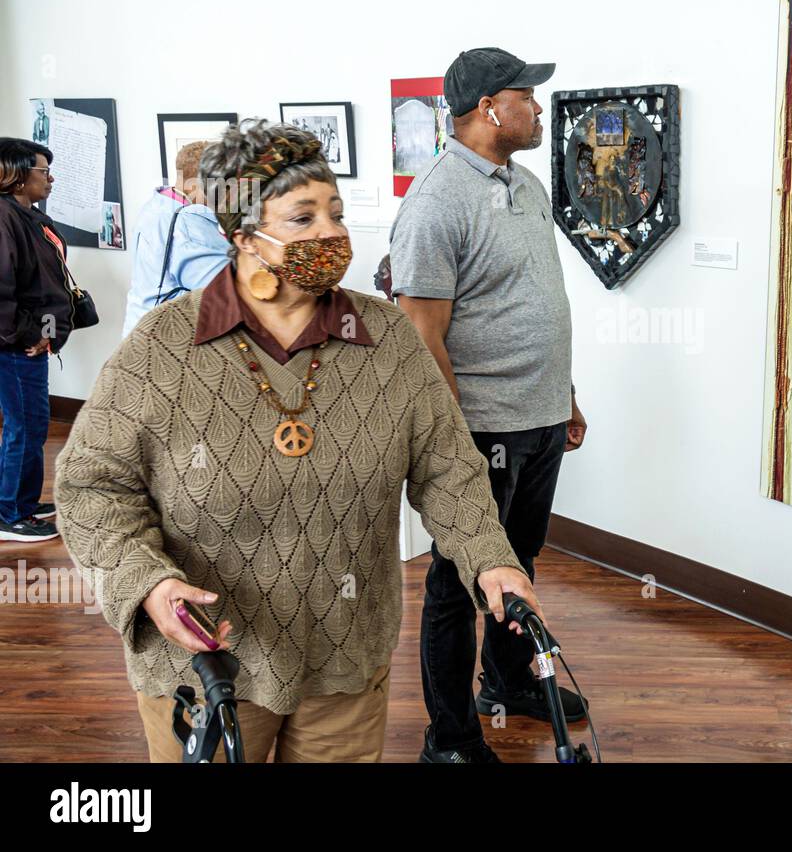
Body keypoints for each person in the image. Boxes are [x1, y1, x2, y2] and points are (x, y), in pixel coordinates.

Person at [55, 120, 543, 762]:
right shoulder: (159, 353)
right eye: (303, 217)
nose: (331, 233)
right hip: (209, 669)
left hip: (344, 661)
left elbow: (448, 468)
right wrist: (146, 582)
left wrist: (490, 556)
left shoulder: (388, 340)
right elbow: (91, 486)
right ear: (241, 235)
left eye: (335, 213)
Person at [390, 47, 588, 763]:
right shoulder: (436, 200)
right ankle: (450, 738)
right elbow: (422, 336)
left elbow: (534, 300)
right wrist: (453, 447)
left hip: (537, 418)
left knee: (521, 559)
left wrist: (562, 394)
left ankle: (507, 686)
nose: (538, 108)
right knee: (456, 581)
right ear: (487, 110)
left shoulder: (525, 184)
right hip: (479, 432)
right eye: (526, 96)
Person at [0, 138, 73, 542]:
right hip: (15, 347)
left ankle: (22, 500)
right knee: (24, 427)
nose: (50, 178)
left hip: (34, 341)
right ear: (15, 176)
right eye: (42, 171)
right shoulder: (2, 218)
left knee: (32, 425)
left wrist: (48, 335)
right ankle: (10, 514)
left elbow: (45, 286)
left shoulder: (28, 215)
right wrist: (33, 336)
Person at [122, 141, 228, 335]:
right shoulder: (187, 221)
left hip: (139, 327)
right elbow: (224, 287)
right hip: (161, 337)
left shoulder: (159, 204)